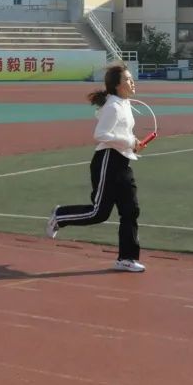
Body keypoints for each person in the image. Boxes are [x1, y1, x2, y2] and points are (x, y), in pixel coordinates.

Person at [45, 64, 147, 272]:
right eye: (127, 79)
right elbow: (100, 134)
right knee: (99, 213)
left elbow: (122, 132)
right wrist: (130, 142)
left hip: (123, 162)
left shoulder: (124, 103)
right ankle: (60, 216)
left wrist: (134, 143)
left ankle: (126, 258)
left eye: (131, 78)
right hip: (107, 162)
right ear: (117, 85)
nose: (132, 82)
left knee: (131, 210)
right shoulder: (113, 106)